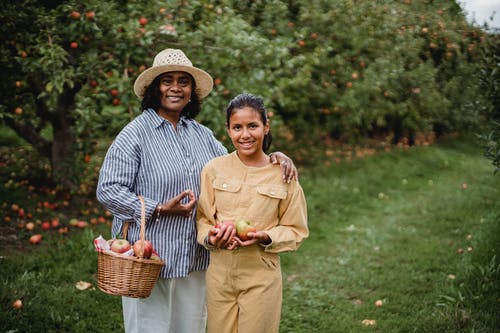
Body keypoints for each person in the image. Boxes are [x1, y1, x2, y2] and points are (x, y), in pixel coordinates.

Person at [96, 49, 298, 333]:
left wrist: (274, 155)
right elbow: (108, 189)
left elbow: (239, 158)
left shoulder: (201, 134)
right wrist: (159, 208)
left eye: (183, 81)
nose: (176, 88)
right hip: (152, 258)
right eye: (167, 81)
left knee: (190, 327)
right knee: (150, 328)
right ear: (155, 89)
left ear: (192, 91)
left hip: (195, 256)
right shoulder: (135, 134)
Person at [196, 93, 309, 333]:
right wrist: (211, 237)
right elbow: (203, 219)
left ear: (266, 127)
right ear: (227, 130)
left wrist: (266, 237)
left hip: (261, 277)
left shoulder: (283, 175)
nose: (245, 134)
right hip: (219, 276)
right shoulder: (214, 169)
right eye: (237, 127)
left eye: (253, 126)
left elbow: (296, 229)